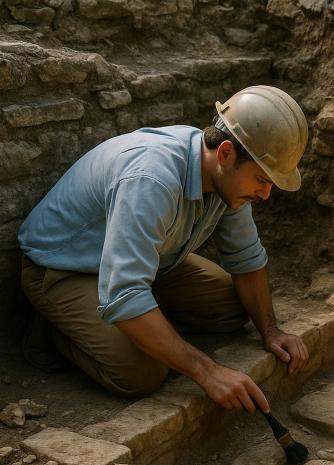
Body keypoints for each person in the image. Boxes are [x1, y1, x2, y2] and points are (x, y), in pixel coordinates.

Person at [18, 85, 311, 414]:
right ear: (226, 153)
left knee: (234, 307)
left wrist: (271, 331)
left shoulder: (226, 178)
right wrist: (208, 371)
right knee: (142, 373)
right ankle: (57, 331)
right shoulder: (152, 178)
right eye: (261, 179)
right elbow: (124, 292)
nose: (266, 193)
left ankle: (145, 323)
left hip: (147, 263)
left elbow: (246, 259)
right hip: (65, 268)